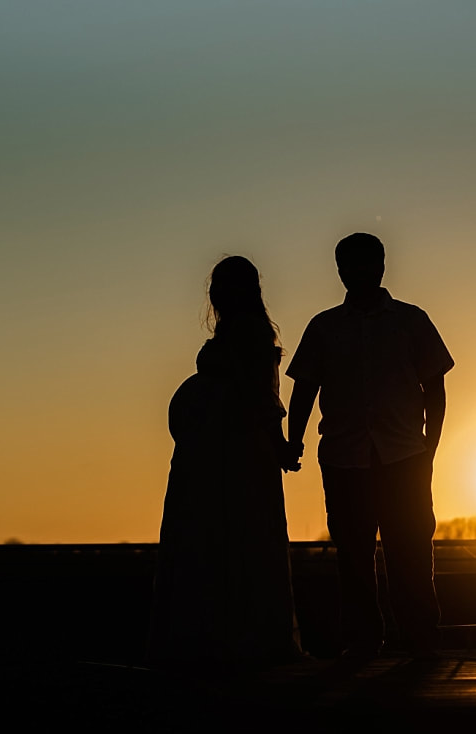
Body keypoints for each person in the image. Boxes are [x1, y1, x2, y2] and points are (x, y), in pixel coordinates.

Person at [284, 232, 454, 660]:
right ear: (339, 270)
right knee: (354, 554)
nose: (358, 272)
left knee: (411, 548)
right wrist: (294, 440)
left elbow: (435, 387)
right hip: (345, 459)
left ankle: (419, 637)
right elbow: (304, 387)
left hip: (404, 457)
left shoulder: (411, 321)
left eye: (366, 264)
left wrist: (429, 450)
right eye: (349, 265)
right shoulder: (325, 327)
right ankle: (363, 641)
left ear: (381, 266)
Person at [147, 255, 304, 671]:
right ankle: (239, 636)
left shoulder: (243, 333)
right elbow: (265, 400)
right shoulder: (250, 331)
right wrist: (282, 447)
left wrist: (278, 445)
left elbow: (262, 402)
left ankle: (220, 636)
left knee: (221, 538)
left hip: (225, 456)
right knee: (240, 539)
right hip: (227, 455)